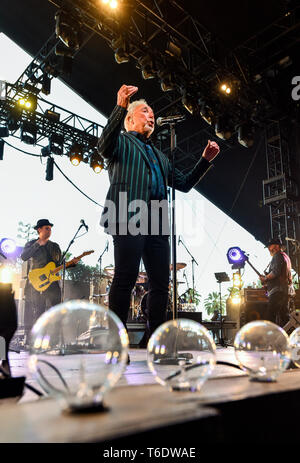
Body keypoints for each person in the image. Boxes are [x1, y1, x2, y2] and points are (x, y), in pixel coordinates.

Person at [97, 84, 220, 346]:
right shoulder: (122, 141)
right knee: (125, 277)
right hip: (127, 212)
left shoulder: (161, 157)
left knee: (161, 284)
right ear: (130, 118)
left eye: (152, 113)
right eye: (144, 111)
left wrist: (205, 161)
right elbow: (103, 145)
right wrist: (120, 105)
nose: (150, 115)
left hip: (157, 219)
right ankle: (116, 343)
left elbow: (184, 184)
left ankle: (156, 342)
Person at [21, 219, 63, 338]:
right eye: (46, 228)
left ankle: (55, 339)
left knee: (56, 311)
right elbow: (24, 256)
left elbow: (58, 264)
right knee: (39, 311)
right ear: (39, 229)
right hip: (38, 282)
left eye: (50, 228)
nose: (49, 230)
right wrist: (38, 244)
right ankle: (37, 339)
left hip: (53, 283)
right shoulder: (31, 243)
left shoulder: (55, 246)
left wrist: (71, 264)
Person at [259, 238, 293, 327]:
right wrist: (267, 279)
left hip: (278, 291)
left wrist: (265, 278)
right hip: (284, 291)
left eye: (270, 246)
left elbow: (275, 272)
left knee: (270, 317)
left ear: (276, 246)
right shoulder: (286, 257)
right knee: (285, 318)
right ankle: (291, 337)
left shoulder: (278, 255)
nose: (268, 249)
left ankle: (272, 339)